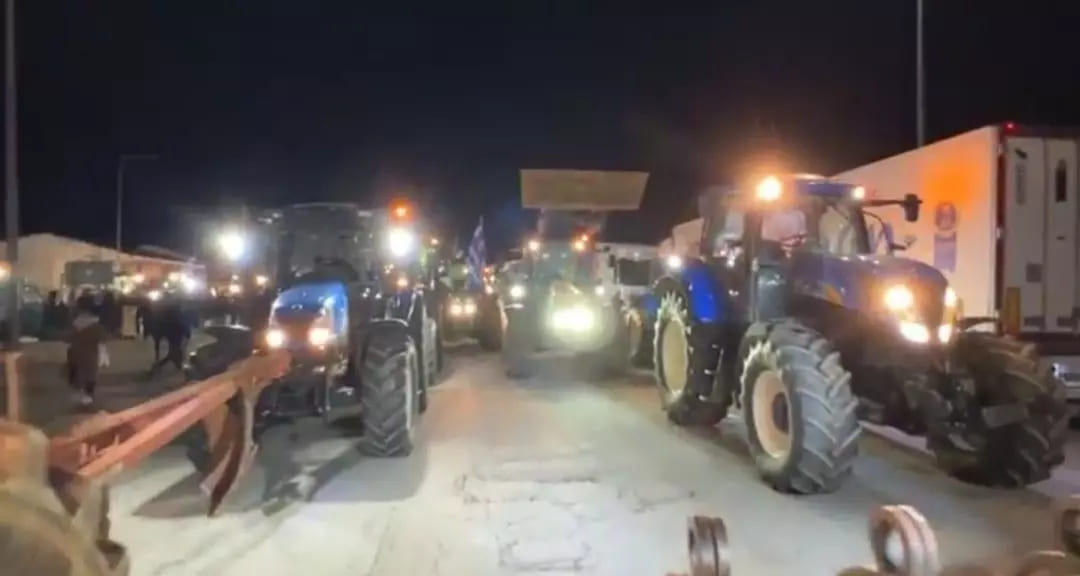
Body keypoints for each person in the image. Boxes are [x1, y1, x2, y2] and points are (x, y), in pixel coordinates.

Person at [66, 302, 107, 407]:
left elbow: (69, 338)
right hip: (91, 354)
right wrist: (104, 357)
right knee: (90, 375)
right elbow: (101, 341)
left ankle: (80, 392)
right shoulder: (96, 326)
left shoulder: (75, 324)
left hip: (76, 353)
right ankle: (88, 395)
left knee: (78, 373)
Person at [149, 298, 190, 377]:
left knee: (174, 352)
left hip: (173, 334)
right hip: (175, 334)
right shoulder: (176, 313)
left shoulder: (167, 313)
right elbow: (180, 324)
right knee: (174, 352)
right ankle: (176, 366)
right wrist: (186, 333)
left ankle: (163, 365)